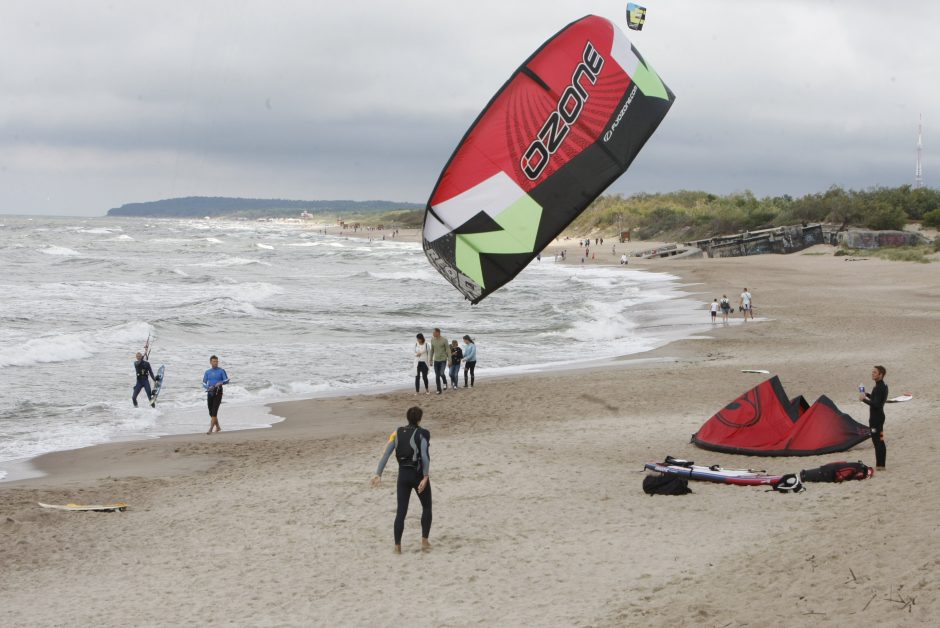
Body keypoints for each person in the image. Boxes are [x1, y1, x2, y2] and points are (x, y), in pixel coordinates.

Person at [371, 406, 431, 554]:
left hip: (403, 476)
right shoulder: (423, 433)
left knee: (401, 512)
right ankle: (424, 542)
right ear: (419, 418)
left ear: (407, 418)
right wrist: (425, 476)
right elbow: (424, 456)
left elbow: (386, 454)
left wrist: (378, 473)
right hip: (417, 475)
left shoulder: (396, 433)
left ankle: (397, 547)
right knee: (427, 507)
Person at [858, 365, 888, 469]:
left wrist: (864, 400)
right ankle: (880, 464)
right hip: (878, 417)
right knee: (879, 439)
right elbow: (877, 399)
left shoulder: (879, 388)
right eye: (873, 372)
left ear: (881, 374)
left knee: (878, 440)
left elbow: (877, 405)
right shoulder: (881, 386)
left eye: (875, 372)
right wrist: (868, 395)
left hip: (876, 419)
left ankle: (880, 465)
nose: (873, 374)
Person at [202, 355, 230, 434]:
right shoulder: (207, 372)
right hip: (210, 392)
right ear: (210, 362)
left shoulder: (221, 371)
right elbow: (203, 382)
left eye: (217, 361)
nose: (216, 363)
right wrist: (207, 387)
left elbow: (227, 380)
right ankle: (218, 427)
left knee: (214, 411)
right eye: (214, 361)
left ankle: (211, 428)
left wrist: (221, 382)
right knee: (211, 412)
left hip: (218, 392)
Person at [429, 328, 450, 394]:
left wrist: (450, 360)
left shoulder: (444, 340)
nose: (433, 333)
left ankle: (445, 382)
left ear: (438, 332)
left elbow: (448, 350)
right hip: (436, 360)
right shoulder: (432, 340)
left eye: (434, 332)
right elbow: (432, 350)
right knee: (437, 375)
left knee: (441, 373)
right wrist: (430, 360)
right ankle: (439, 389)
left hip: (443, 360)